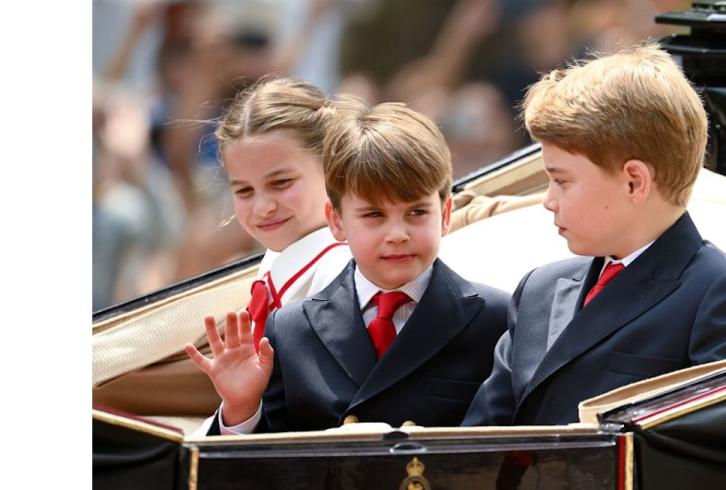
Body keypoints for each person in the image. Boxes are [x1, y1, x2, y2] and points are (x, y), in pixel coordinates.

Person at [462, 44, 726, 426]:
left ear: (633, 182)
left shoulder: (719, 292)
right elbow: (481, 436)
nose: (548, 201)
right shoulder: (538, 290)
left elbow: (711, 451)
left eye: (562, 181)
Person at [189, 98, 510, 434]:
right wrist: (241, 409)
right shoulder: (292, 329)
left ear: (444, 215)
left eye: (416, 213)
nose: (397, 234)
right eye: (374, 215)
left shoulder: (495, 318)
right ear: (337, 221)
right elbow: (265, 465)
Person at [183, 77, 353, 431]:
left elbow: (312, 419)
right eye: (244, 190)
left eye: (281, 183)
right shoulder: (277, 262)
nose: (262, 207)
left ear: (334, 168)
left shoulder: (339, 275)